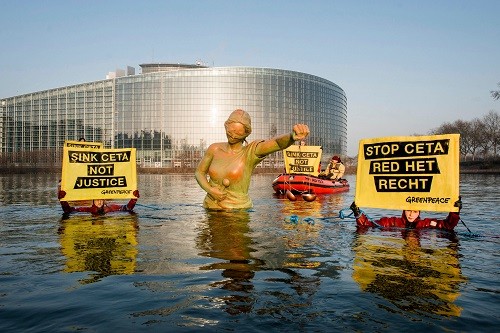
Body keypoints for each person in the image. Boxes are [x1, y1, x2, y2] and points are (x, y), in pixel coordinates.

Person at [195, 108, 310, 210]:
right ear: (226, 126)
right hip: (210, 209)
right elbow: (199, 172)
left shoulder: (251, 152)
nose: (233, 135)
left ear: (246, 134)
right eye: (230, 132)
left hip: (237, 213)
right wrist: (210, 190)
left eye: (238, 133)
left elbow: (276, 143)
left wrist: (291, 136)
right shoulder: (214, 149)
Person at [349, 197, 462, 231]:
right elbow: (367, 225)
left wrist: (455, 211)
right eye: (408, 211)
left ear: (419, 212)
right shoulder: (392, 222)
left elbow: (448, 225)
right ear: (403, 210)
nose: (411, 215)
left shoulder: (426, 223)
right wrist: (357, 213)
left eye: (415, 212)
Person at [58, 190, 140, 216]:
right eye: (97, 200)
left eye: (101, 199)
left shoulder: (110, 208)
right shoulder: (88, 210)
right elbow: (68, 210)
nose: (100, 202)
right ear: (93, 201)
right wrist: (63, 201)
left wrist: (133, 199)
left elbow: (127, 208)